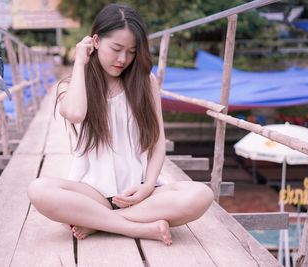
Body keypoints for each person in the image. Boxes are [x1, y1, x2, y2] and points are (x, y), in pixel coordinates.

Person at [28, 3, 214, 245]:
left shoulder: (145, 82)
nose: (123, 59)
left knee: (201, 195)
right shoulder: (71, 85)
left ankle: (97, 223)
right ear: (95, 41)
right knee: (38, 190)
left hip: (138, 194)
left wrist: (147, 187)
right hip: (91, 194)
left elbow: (158, 141)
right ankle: (135, 228)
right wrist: (79, 62)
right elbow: (74, 113)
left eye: (131, 51)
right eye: (115, 48)